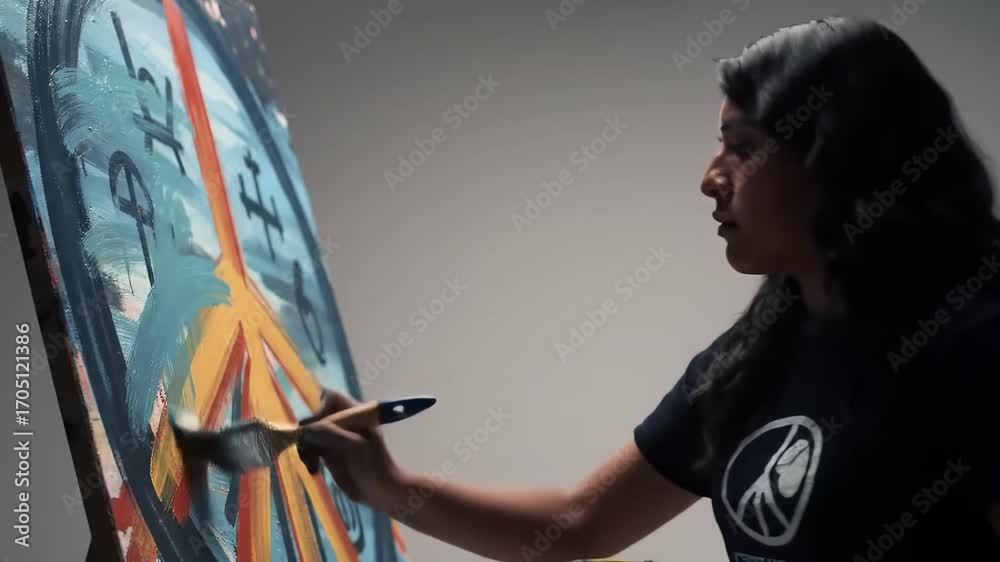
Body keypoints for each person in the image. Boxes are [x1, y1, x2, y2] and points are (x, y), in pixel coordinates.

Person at [299, 16, 1000, 562]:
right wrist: (387, 486)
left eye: (744, 147)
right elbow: (580, 523)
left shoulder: (976, 346)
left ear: (837, 158)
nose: (710, 178)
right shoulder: (758, 355)